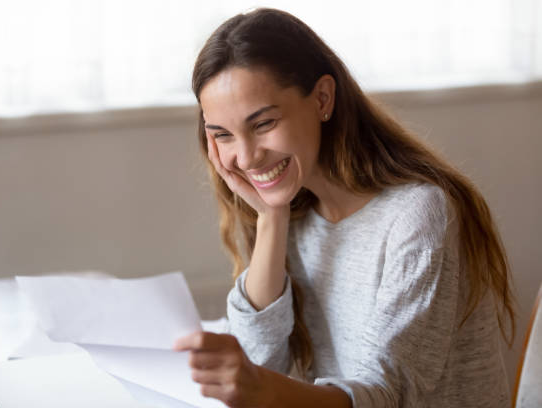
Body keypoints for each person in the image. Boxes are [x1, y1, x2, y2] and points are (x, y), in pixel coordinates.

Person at [173, 8, 515, 408]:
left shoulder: (419, 215)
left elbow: (384, 392)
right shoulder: (294, 213)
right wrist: (271, 219)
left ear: (322, 98)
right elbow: (259, 368)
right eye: (223, 135)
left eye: (263, 124)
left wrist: (258, 386)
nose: (246, 158)